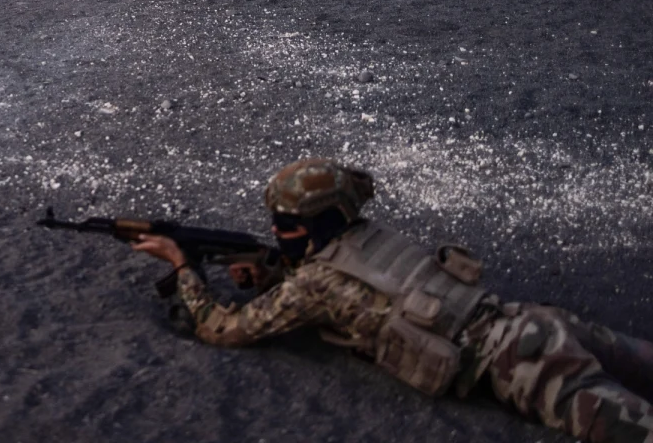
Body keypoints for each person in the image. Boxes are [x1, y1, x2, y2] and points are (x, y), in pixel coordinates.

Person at [132, 158, 653, 442]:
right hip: (533, 323)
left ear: (319, 222)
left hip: (524, 366)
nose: (274, 230)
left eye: (287, 225)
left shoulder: (314, 286)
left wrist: (183, 266)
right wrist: (273, 270)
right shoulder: (372, 236)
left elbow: (220, 328)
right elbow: (361, 288)